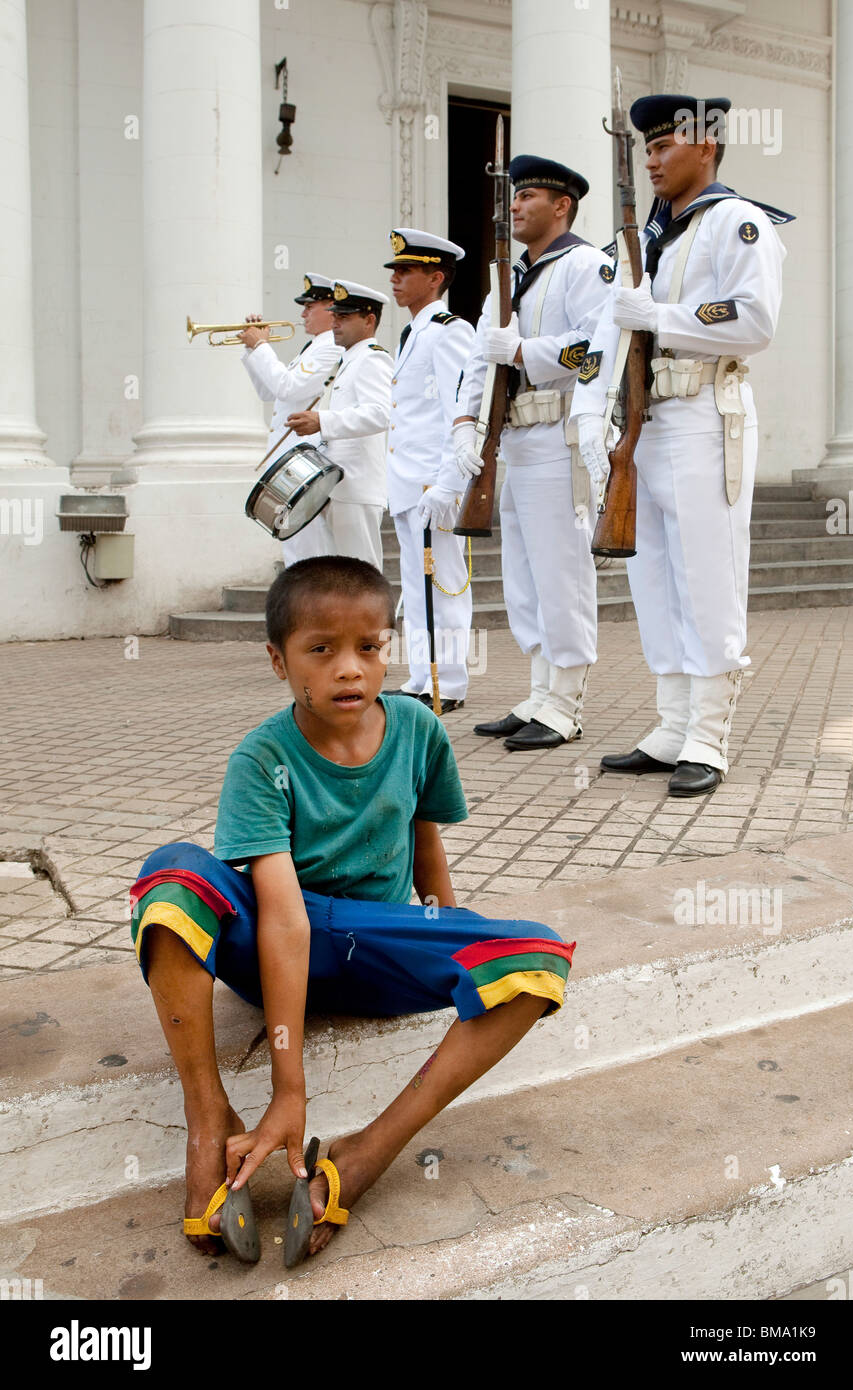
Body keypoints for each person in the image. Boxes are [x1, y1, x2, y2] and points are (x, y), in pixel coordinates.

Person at [129, 557, 574, 1264]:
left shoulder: (420, 730)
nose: (350, 670)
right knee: (171, 875)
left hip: (373, 949)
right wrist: (288, 1087)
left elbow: (425, 848)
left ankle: (367, 1152)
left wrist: (449, 942)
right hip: (282, 943)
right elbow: (281, 918)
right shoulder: (262, 758)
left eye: (369, 647)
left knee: (537, 958)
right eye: (322, 650)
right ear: (278, 661)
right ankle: (208, 1117)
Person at [571, 94, 791, 796]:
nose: (654, 158)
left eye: (667, 146)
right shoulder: (648, 239)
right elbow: (610, 335)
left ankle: (709, 736)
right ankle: (671, 725)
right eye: (649, 148)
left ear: (708, 147)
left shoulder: (737, 223)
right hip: (645, 421)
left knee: (707, 577)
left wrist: (659, 314)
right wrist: (591, 417)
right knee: (655, 579)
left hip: (704, 411)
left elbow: (754, 320)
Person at [453, 155, 614, 750]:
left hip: (557, 433)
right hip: (513, 438)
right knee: (522, 575)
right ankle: (540, 689)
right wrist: (466, 422)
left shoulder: (586, 266)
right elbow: (480, 355)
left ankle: (567, 702)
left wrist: (523, 351)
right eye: (513, 197)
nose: (514, 206)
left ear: (562, 206)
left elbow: (597, 348)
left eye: (528, 197)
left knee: (560, 571)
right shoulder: (510, 274)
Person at [384, 229, 477, 713]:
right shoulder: (411, 334)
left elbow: (459, 412)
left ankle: (451, 681)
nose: (396, 279)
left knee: (442, 581)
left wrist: (449, 482)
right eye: (395, 271)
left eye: (406, 270)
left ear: (435, 277)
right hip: (407, 483)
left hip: (432, 483)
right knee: (416, 585)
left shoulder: (448, 331)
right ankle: (422, 675)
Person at [285, 282, 393, 570]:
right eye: (334, 316)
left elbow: (382, 413)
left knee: (362, 576)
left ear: (369, 320)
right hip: (335, 486)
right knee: (339, 580)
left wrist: (322, 421)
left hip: (356, 487)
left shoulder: (372, 357)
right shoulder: (348, 360)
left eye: (344, 317)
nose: (334, 323)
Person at [240, 273, 341, 566]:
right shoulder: (313, 347)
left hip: (306, 461)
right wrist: (251, 349)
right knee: (295, 551)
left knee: (310, 553)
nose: (303, 313)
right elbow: (268, 391)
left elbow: (288, 386)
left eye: (310, 306)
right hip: (289, 464)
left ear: (331, 307)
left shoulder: (331, 346)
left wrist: (261, 347)